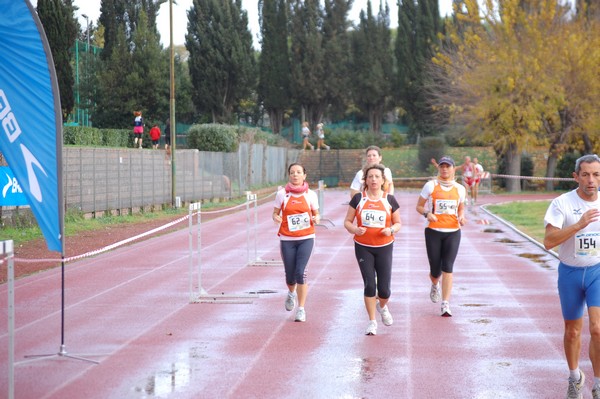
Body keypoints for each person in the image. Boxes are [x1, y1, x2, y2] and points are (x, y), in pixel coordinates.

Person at [543, 154, 600, 399]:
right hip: (570, 273)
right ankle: (575, 377)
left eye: (596, 174)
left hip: (597, 271)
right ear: (575, 176)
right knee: (573, 331)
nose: (591, 180)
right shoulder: (561, 204)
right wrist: (578, 224)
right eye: (585, 174)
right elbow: (548, 242)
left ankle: (598, 384)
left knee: (597, 328)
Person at [344, 163, 402, 335]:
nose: (374, 179)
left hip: (384, 246)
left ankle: (382, 306)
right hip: (363, 247)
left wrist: (390, 230)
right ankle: (372, 321)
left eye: (377, 176)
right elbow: (347, 222)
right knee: (370, 285)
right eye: (370, 177)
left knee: (384, 290)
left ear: (383, 180)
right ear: (366, 180)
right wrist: (355, 229)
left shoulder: (389, 200)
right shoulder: (358, 199)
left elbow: (398, 223)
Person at [416, 156, 466, 317]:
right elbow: (419, 206)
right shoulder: (430, 186)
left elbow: (461, 208)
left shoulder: (460, 189)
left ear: (453, 169)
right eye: (442, 166)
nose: (445, 169)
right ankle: (434, 284)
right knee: (435, 270)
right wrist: (427, 213)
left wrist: (462, 216)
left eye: (448, 166)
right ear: (439, 168)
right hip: (433, 232)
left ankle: (445, 303)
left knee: (448, 267)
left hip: (453, 232)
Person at [272, 163, 320, 322]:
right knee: (290, 276)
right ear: (289, 175)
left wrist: (316, 218)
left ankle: (301, 309)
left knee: (301, 272)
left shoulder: (311, 195)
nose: (295, 175)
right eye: (292, 172)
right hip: (287, 239)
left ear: (304, 175)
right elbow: (275, 213)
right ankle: (291, 292)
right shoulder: (282, 195)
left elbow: (317, 214)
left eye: (299, 172)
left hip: (306, 238)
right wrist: (276, 218)